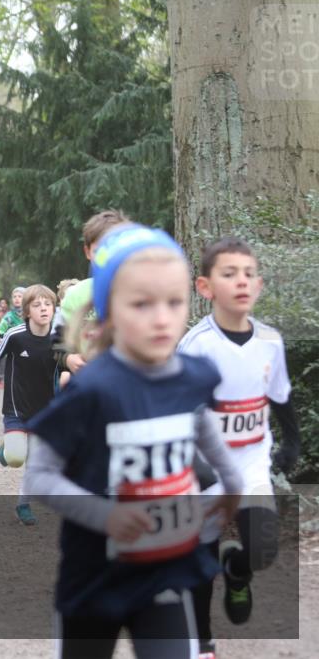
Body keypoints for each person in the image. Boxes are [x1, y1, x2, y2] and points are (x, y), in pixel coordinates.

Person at [23, 225, 242, 659]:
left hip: (164, 571)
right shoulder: (91, 392)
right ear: (107, 313)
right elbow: (40, 476)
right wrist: (106, 516)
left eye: (174, 302)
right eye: (142, 304)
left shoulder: (192, 376)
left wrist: (232, 486)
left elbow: (203, 430)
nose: (162, 317)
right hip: (92, 579)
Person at [177, 238, 300, 659]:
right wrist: (195, 463)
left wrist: (292, 442)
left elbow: (280, 395)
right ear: (205, 287)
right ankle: (202, 643)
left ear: (260, 285)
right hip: (205, 469)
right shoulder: (196, 347)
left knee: (263, 546)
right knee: (199, 558)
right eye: (229, 274)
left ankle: (238, 570)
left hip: (250, 462)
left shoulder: (270, 341)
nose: (241, 281)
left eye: (248, 274)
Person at [0, 284, 59, 526]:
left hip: (45, 411)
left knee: (34, 461)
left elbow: (67, 368)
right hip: (16, 407)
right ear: (26, 311)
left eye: (48, 304)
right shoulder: (15, 335)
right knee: (15, 458)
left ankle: (23, 504)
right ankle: (8, 447)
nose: (44, 309)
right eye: (37, 305)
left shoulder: (60, 338)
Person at [54, 210, 131, 376]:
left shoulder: (145, 293)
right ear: (88, 252)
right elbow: (55, 343)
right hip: (89, 388)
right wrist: (68, 359)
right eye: (99, 251)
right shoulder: (75, 296)